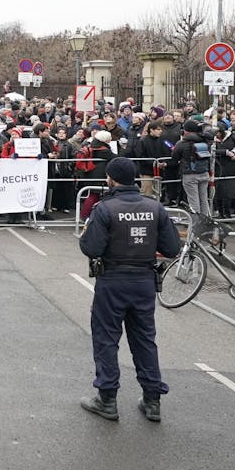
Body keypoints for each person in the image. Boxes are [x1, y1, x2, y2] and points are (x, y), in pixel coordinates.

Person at [77, 156, 182, 423]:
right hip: (144, 280)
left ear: (111, 179)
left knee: (106, 339)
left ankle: (107, 398)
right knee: (144, 339)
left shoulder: (104, 208)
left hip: (113, 279)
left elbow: (90, 248)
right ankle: (152, 400)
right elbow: (171, 248)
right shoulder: (155, 207)